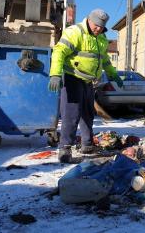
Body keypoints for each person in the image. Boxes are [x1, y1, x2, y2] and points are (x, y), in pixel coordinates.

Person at [48, 9, 123, 163]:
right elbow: (59, 51)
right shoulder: (75, 32)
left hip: (89, 81)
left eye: (101, 27)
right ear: (89, 20)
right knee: (71, 114)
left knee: (88, 113)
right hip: (72, 77)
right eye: (96, 25)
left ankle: (87, 144)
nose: (98, 29)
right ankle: (65, 149)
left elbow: (105, 60)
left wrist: (113, 74)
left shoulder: (101, 38)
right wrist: (55, 74)